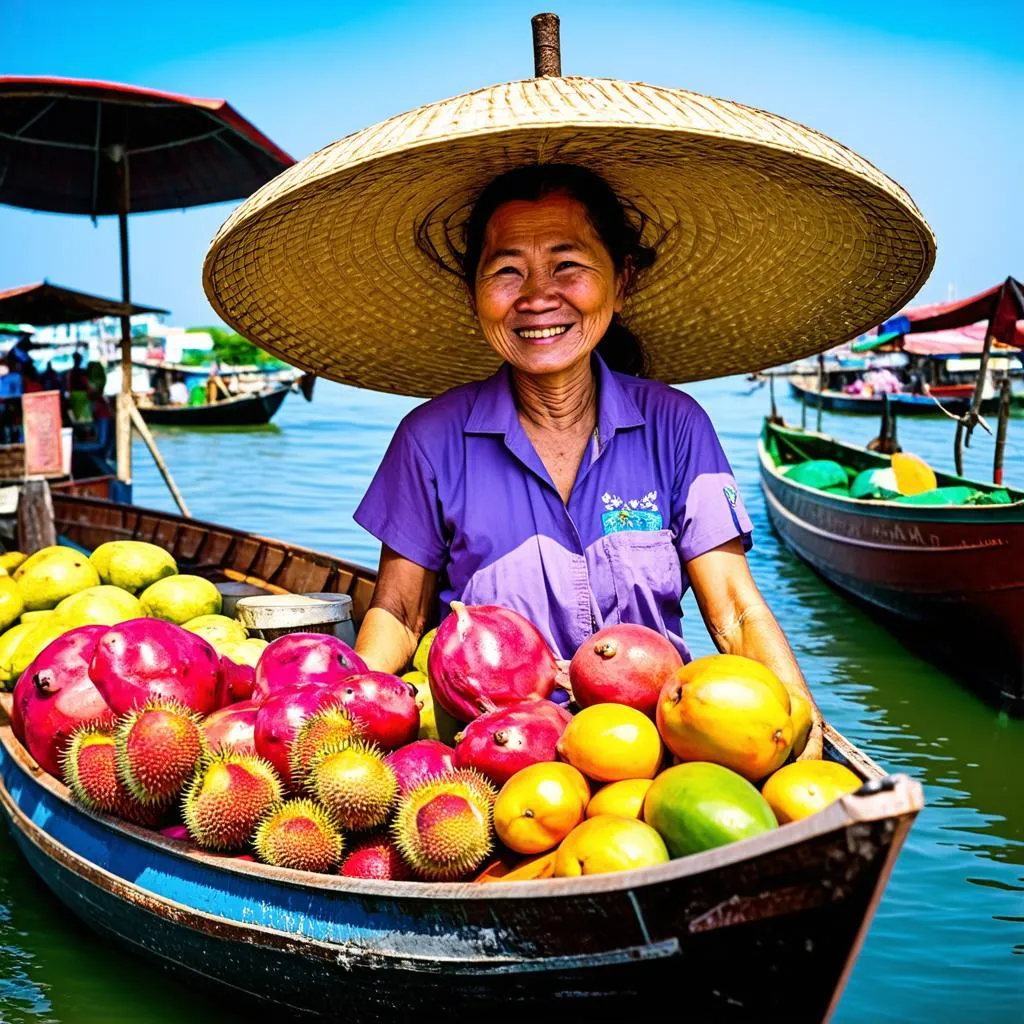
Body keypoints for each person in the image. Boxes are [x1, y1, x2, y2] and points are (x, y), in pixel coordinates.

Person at [203, 67, 935, 765]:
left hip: (651, 754)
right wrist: (346, 712)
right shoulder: (430, 441)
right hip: (493, 757)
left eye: (568, 265)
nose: (538, 296)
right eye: (507, 270)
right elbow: (399, 608)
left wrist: (801, 725)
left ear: (621, 280)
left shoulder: (677, 427)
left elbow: (737, 613)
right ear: (475, 295)